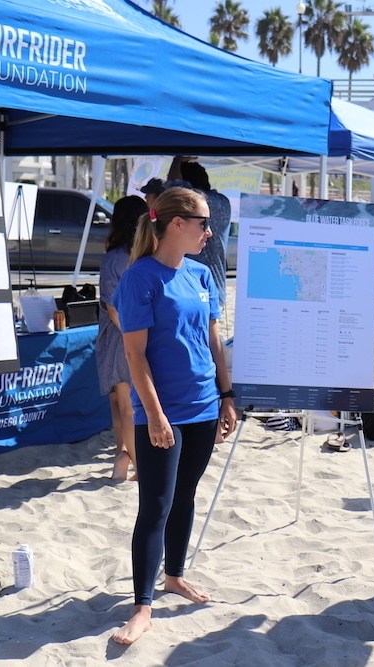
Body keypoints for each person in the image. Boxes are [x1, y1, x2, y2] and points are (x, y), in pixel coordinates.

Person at [111, 187, 237, 645]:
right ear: (176, 224)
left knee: (185, 496)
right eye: (205, 223)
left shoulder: (201, 275)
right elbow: (134, 355)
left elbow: (213, 340)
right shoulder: (139, 278)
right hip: (161, 412)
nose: (211, 232)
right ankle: (142, 606)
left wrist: (226, 395)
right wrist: (156, 415)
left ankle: (174, 576)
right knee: (156, 506)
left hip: (204, 404)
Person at [96, 195, 148, 481]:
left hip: (119, 337)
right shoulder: (147, 255)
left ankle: (124, 457)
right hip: (131, 336)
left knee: (121, 404)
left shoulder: (114, 257)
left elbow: (111, 306)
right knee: (126, 405)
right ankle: (131, 462)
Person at [164, 156, 233, 314]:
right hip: (216, 288)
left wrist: (177, 161)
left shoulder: (193, 204)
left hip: (191, 289)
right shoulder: (223, 202)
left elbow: (174, 190)